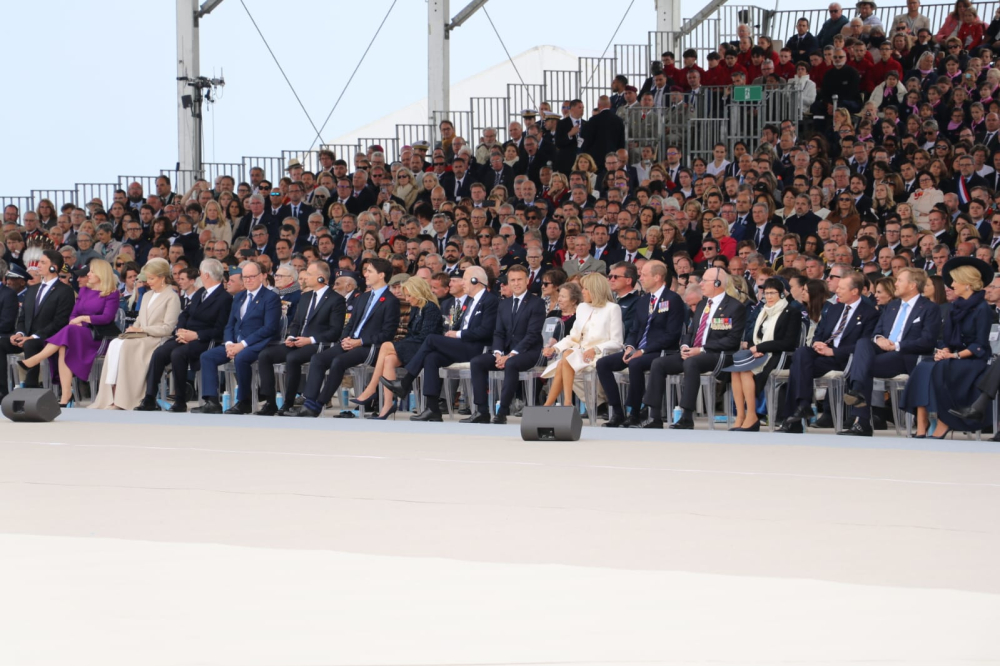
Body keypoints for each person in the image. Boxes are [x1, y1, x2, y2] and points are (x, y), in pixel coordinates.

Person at [633, 267, 746, 429]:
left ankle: (686, 416)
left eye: (705, 281)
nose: (701, 284)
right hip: (693, 352)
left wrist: (700, 350)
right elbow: (691, 331)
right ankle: (654, 415)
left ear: (717, 283)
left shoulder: (735, 307)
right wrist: (685, 346)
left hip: (717, 354)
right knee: (659, 363)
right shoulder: (701, 305)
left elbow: (732, 341)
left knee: (691, 363)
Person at [382, 266, 497, 422]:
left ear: (475, 280)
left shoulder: (490, 300)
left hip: (476, 347)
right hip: (461, 344)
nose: (462, 283)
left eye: (464, 279)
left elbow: (485, 330)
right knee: (431, 358)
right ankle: (432, 408)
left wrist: (457, 334)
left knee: (430, 339)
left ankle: (405, 382)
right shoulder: (471, 301)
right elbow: (460, 325)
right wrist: (450, 334)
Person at [289, 258, 400, 418]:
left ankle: (317, 405)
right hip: (351, 343)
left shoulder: (391, 301)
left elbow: (387, 334)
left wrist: (359, 341)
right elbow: (350, 324)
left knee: (338, 361)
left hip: (370, 347)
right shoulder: (363, 297)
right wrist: (345, 339)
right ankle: (309, 402)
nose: (365, 274)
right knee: (318, 359)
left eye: (369, 271)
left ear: (381, 275)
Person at [841, 268, 941, 435]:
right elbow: (877, 331)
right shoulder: (892, 306)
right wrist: (879, 338)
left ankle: (861, 418)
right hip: (882, 352)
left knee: (862, 366)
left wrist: (897, 345)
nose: (895, 284)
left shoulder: (929, 308)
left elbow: (927, 341)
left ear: (912, 285)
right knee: (864, 343)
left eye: (900, 280)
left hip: (904, 355)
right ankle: (858, 390)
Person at [901, 257, 994, 438]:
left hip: (974, 360)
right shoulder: (954, 307)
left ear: (967, 283)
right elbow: (946, 338)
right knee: (924, 366)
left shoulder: (983, 308)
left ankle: (944, 423)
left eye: (955, 281)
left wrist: (955, 356)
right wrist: (944, 351)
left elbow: (980, 345)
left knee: (942, 368)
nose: (951, 285)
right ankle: (921, 425)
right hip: (954, 356)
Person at [778, 270, 879, 432]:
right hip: (824, 356)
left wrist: (834, 352)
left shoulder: (870, 313)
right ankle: (803, 405)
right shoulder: (834, 309)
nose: (836, 291)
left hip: (846, 359)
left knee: (798, 366)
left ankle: (794, 418)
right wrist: (818, 343)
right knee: (801, 354)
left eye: (841, 288)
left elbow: (865, 346)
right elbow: (820, 332)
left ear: (854, 291)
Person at [15, 260, 120, 407]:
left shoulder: (112, 293)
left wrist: (83, 319)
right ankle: (65, 396)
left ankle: (36, 359)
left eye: (92, 271)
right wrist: (74, 321)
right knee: (64, 346)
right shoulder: (84, 290)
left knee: (68, 333)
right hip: (78, 332)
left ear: (101, 273)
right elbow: (73, 314)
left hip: (98, 336)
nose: (88, 274)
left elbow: (107, 317)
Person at [135, 259, 232, 413]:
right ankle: (149, 398)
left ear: (205, 275)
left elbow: (221, 329)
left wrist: (196, 335)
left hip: (205, 339)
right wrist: (180, 330)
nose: (199, 275)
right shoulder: (201, 292)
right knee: (160, 352)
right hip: (184, 335)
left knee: (178, 354)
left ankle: (180, 400)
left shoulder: (225, 298)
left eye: (200, 272)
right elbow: (185, 314)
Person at [253, 261, 347, 416]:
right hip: (298, 341)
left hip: (318, 343)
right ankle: (270, 402)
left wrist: (309, 340)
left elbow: (335, 332)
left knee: (293, 357)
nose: (304, 279)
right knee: (265, 355)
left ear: (321, 278)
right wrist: (291, 336)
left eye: (309, 274)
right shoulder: (305, 297)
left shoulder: (336, 299)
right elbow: (296, 323)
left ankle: (288, 403)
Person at [597, 260, 684, 427]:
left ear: (657, 277)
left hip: (660, 351)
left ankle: (635, 412)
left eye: (644, 275)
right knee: (603, 363)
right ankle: (617, 411)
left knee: (636, 363)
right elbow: (635, 330)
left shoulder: (673, 299)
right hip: (639, 349)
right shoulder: (643, 300)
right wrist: (629, 346)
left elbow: (672, 335)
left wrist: (643, 351)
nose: (640, 278)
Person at [191, 260, 282, 414]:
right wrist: (228, 343)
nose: (248, 280)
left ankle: (244, 401)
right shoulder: (239, 297)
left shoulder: (270, 297)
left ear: (262, 276)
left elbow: (269, 328)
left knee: (242, 358)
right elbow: (229, 325)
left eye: (252, 276)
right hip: (235, 343)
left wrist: (243, 344)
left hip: (258, 343)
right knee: (207, 356)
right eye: (245, 277)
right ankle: (212, 402)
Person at [90, 258, 182, 411]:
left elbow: (167, 328)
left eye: (152, 278)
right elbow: (140, 319)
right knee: (115, 343)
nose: (149, 282)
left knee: (126, 347)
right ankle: (110, 396)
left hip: (157, 339)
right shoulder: (146, 296)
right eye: (148, 278)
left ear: (162, 277)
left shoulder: (172, 297)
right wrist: (134, 329)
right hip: (141, 336)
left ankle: (124, 398)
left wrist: (142, 330)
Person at [350, 276, 442, 420]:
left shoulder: (430, 307)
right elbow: (412, 334)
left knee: (386, 346)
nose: (407, 298)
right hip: (415, 346)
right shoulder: (415, 308)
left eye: (410, 295)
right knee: (389, 359)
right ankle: (388, 405)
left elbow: (426, 337)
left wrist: (400, 345)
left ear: (418, 292)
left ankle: (371, 389)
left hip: (426, 349)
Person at [465, 265, 547, 424]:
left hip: (530, 352)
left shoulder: (537, 303)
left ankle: (502, 412)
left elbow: (532, 335)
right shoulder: (503, 304)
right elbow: (498, 333)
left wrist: (510, 355)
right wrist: (497, 353)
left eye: (519, 280)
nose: (516, 283)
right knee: (477, 362)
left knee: (511, 364)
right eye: (512, 280)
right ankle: (482, 411)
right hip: (506, 353)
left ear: (527, 280)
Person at [725, 278, 802, 432]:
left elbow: (788, 342)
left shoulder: (791, 312)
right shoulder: (763, 311)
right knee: (735, 371)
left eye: (773, 293)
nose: (769, 296)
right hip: (759, 353)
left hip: (780, 356)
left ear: (781, 294)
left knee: (746, 372)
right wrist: (755, 347)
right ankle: (740, 416)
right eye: (766, 293)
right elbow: (754, 336)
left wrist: (761, 347)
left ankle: (752, 416)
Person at [0, 249, 75, 399]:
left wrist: (33, 336)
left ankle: (30, 388)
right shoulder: (32, 289)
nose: (38, 265)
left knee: (30, 345)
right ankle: (3, 392)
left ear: (53, 267)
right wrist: (19, 334)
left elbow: (60, 322)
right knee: (1, 343)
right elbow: (22, 318)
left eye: (42, 262)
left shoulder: (65, 291)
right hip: (27, 337)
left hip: (49, 338)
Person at [540, 272, 623, 407]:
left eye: (585, 288)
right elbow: (573, 337)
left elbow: (617, 342)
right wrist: (555, 348)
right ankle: (565, 402)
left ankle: (552, 404)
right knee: (566, 357)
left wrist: (595, 349)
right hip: (581, 353)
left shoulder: (612, 308)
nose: (582, 292)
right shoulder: (582, 308)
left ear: (595, 289)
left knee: (563, 362)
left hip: (601, 355)